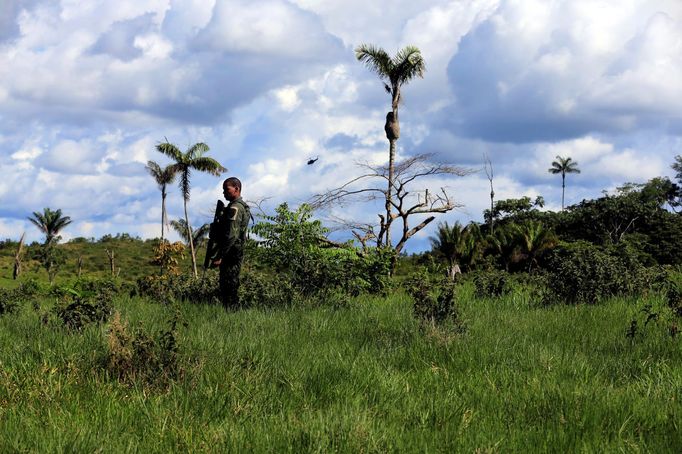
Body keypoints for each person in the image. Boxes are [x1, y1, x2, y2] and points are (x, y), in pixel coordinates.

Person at [211, 177, 250, 309]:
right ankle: (230, 316)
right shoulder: (236, 206)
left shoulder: (236, 208)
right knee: (228, 286)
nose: (224, 193)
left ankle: (232, 316)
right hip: (232, 252)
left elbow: (231, 236)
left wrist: (220, 256)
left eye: (226, 189)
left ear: (236, 189)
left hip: (231, 254)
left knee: (229, 287)